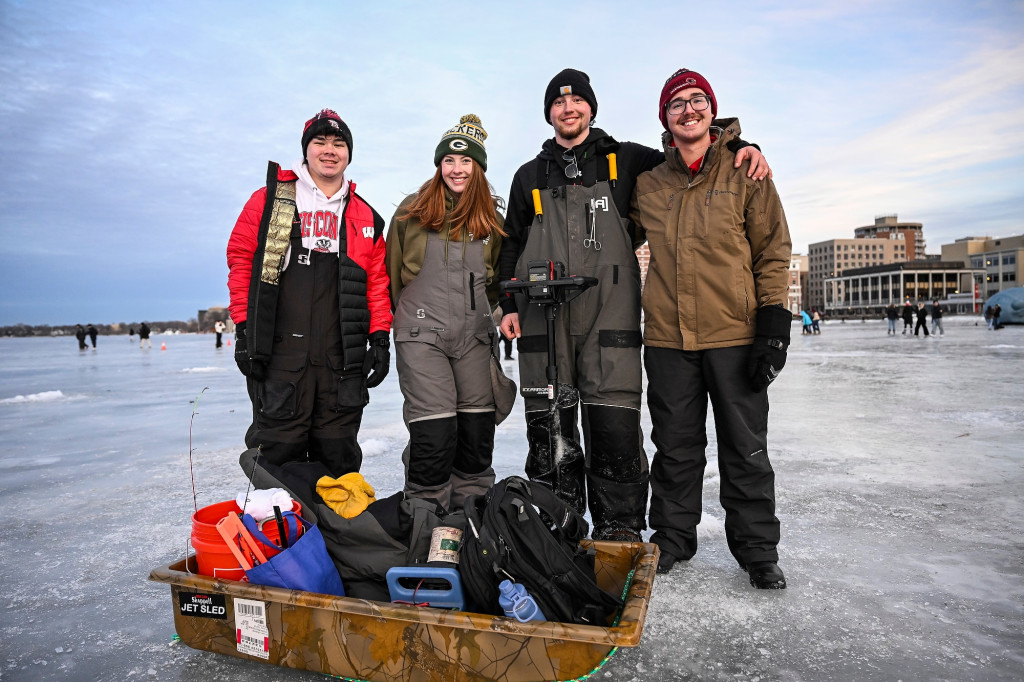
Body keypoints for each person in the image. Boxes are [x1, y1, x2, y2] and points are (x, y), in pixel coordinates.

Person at [497, 68, 771, 542]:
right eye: (559, 104)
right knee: (549, 435)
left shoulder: (629, 161)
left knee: (614, 431)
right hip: (545, 325)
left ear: (591, 108)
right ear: (549, 114)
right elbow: (509, 244)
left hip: (611, 322)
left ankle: (618, 529)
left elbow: (693, 153)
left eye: (577, 101)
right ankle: (555, 533)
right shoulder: (528, 176)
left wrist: (744, 146)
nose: (569, 109)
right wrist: (506, 304)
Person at [630, 68, 792, 589]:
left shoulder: (746, 172)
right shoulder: (648, 184)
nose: (689, 110)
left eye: (698, 101)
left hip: (735, 335)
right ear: (665, 119)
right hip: (669, 340)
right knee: (675, 448)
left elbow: (773, 251)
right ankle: (673, 539)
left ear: (713, 112)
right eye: (676, 105)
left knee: (745, 448)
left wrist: (773, 326)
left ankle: (758, 552)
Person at [227, 108, 392, 477]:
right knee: (276, 455)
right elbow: (241, 262)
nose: (329, 150)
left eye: (339, 143)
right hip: (282, 356)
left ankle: (337, 536)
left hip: (341, 360)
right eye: (320, 142)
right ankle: (281, 533)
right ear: (306, 150)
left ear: (349, 153)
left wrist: (380, 338)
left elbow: (377, 281)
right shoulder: (271, 201)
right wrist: (244, 329)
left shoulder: (365, 215)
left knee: (339, 458)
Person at [385, 114, 506, 510]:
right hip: (421, 335)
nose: (457, 169)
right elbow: (392, 274)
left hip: (474, 336)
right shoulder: (412, 211)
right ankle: (425, 521)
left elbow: (495, 284)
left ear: (479, 167)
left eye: (466, 161)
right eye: (450, 161)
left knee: (475, 437)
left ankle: (471, 524)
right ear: (439, 165)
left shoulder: (491, 218)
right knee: (434, 436)